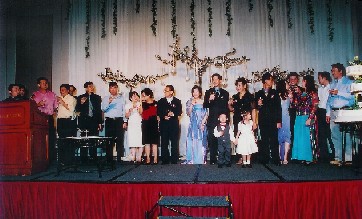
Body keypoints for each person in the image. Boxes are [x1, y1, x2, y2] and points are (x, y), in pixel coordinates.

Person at [326, 63, 355, 166]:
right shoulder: (333, 84)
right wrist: (328, 113)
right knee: (335, 135)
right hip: (333, 111)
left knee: (347, 134)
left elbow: (352, 98)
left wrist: (338, 93)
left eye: (334, 70)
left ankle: (348, 158)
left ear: (340, 71)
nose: (332, 72)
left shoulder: (349, 82)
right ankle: (338, 157)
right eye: (332, 71)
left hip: (344, 111)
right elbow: (329, 100)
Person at [255, 73, 282, 165]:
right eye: (270, 80)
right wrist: (258, 105)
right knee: (264, 140)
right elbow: (255, 107)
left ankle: (276, 159)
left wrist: (279, 121)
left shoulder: (275, 93)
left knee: (274, 140)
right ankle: (264, 158)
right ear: (266, 81)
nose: (272, 81)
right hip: (263, 120)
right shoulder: (258, 93)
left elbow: (278, 108)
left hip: (273, 120)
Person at [291, 75, 319, 164]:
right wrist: (293, 97)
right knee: (299, 138)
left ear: (306, 82)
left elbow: (315, 106)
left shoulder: (313, 93)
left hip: (307, 117)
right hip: (299, 117)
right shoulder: (301, 93)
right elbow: (295, 106)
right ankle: (301, 156)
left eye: (303, 81)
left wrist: (310, 118)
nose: (302, 83)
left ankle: (309, 158)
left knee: (307, 137)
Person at [228, 77, 256, 164]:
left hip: (247, 122)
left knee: (248, 139)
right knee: (239, 139)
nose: (238, 87)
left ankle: (248, 158)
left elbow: (254, 109)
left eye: (240, 85)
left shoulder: (250, 96)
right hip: (237, 121)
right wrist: (229, 104)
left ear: (244, 86)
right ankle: (241, 157)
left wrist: (254, 122)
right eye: (237, 85)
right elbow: (231, 109)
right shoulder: (235, 96)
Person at [204, 73, 229, 165]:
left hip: (222, 120)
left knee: (224, 139)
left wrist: (227, 121)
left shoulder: (225, 93)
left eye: (216, 79)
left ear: (220, 80)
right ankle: (213, 159)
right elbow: (205, 105)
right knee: (212, 139)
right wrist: (209, 99)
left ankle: (225, 158)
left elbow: (226, 108)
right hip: (212, 120)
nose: (214, 81)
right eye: (213, 79)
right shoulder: (208, 92)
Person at [31, 77, 58, 162]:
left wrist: (55, 112)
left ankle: (50, 159)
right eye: (43, 83)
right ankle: (40, 159)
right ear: (38, 85)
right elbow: (30, 107)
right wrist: (38, 104)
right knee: (40, 139)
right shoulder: (34, 95)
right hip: (39, 118)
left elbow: (56, 107)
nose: (45, 84)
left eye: (46, 83)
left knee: (50, 138)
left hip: (49, 118)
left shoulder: (52, 94)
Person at [101, 82, 127, 163]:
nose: (113, 89)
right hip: (109, 121)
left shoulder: (121, 98)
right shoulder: (105, 98)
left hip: (119, 120)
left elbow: (124, 110)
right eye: (111, 88)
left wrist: (125, 121)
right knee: (109, 140)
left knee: (120, 139)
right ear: (109, 89)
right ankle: (109, 159)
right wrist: (109, 102)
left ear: (117, 88)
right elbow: (103, 109)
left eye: (114, 87)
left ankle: (119, 158)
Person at [157, 85, 182, 164]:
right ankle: (165, 159)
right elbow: (158, 112)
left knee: (174, 142)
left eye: (167, 91)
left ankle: (174, 159)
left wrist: (173, 114)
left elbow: (179, 112)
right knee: (164, 142)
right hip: (164, 124)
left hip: (174, 124)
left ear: (171, 92)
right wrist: (164, 116)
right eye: (164, 91)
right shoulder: (161, 101)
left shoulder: (177, 101)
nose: (165, 92)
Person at [183, 85, 208, 164]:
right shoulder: (190, 101)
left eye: (197, 91)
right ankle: (191, 159)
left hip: (201, 124)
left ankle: (201, 159)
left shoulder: (204, 101)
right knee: (191, 139)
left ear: (200, 93)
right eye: (194, 91)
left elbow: (206, 113)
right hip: (193, 124)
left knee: (201, 140)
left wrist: (203, 123)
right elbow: (188, 113)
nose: (195, 93)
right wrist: (192, 105)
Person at [317, 72, 334, 163]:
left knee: (329, 133)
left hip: (327, 112)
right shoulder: (320, 89)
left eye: (320, 78)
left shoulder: (331, 87)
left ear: (324, 78)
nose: (319, 80)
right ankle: (324, 155)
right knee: (321, 134)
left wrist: (328, 113)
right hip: (320, 111)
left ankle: (334, 154)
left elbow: (330, 102)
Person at [141, 88, 159, 164]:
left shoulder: (156, 103)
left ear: (149, 95)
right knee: (147, 142)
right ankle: (148, 158)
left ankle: (155, 158)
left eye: (144, 95)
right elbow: (141, 114)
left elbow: (158, 114)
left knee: (154, 142)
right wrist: (140, 103)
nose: (143, 97)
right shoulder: (143, 104)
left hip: (154, 123)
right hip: (146, 123)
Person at [125, 91, 144, 163]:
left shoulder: (140, 104)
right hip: (132, 124)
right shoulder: (127, 105)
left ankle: (139, 157)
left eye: (136, 96)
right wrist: (131, 110)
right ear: (130, 98)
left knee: (140, 140)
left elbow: (141, 113)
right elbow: (126, 116)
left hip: (139, 123)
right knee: (132, 140)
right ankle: (133, 157)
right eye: (133, 96)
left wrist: (139, 106)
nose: (135, 97)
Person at [276, 79, 291, 164]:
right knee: (279, 137)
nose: (288, 84)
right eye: (286, 83)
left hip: (286, 117)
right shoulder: (277, 95)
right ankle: (279, 157)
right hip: (279, 117)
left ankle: (285, 158)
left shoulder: (288, 94)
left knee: (287, 136)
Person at [287, 72, 301, 145]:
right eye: (291, 79)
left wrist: (299, 93)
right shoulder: (285, 89)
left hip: (297, 114)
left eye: (294, 79)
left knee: (296, 132)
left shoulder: (301, 90)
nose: (292, 81)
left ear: (297, 80)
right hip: (286, 113)